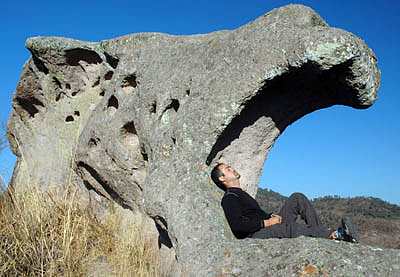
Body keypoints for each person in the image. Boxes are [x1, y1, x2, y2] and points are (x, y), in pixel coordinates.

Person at [210, 162, 358, 242]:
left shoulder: (241, 194)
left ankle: (321, 234)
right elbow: (238, 225)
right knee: (289, 228)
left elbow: (255, 213)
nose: (232, 168)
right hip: (255, 234)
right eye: (228, 169)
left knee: (297, 198)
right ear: (222, 178)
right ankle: (335, 235)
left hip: (265, 225)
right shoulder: (230, 198)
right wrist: (267, 223)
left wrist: (270, 215)